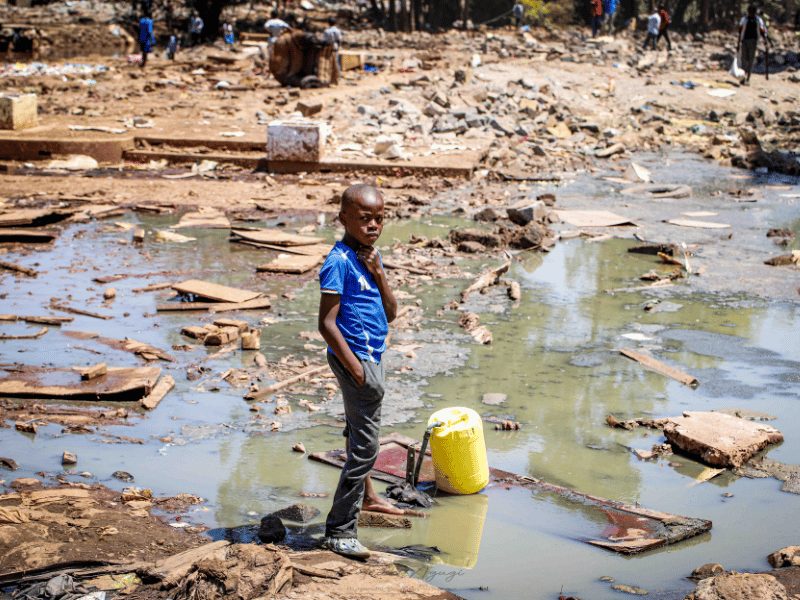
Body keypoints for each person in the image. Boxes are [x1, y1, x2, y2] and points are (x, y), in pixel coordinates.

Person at [318, 184, 398, 560]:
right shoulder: (338, 262)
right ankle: (339, 531)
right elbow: (326, 323)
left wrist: (379, 272)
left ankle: (369, 498)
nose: (373, 226)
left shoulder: (368, 257)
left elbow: (391, 313)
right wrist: (356, 370)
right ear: (344, 219)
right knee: (365, 448)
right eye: (365, 219)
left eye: (379, 218)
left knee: (356, 430)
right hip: (358, 359)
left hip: (370, 355)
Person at [738, 4, 769, 85]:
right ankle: (743, 77)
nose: (751, 13)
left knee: (750, 60)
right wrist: (738, 43)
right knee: (744, 60)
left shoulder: (758, 20)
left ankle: (747, 78)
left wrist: (765, 41)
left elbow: (762, 31)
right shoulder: (744, 19)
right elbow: (740, 31)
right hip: (744, 41)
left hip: (753, 42)